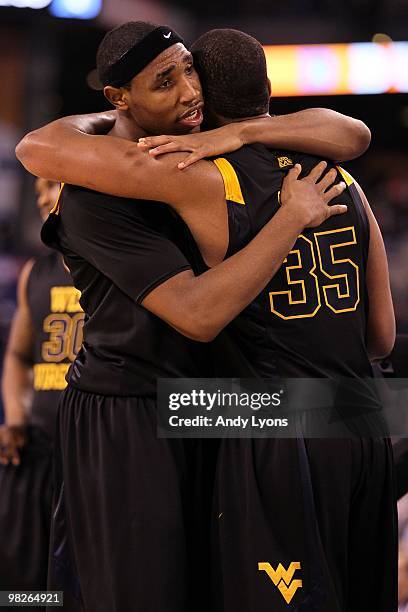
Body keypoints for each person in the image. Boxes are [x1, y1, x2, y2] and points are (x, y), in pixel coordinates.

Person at [16, 23, 379, 612]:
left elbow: (351, 131)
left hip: (204, 403)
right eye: (167, 80)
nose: (190, 91)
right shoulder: (105, 188)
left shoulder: (209, 158)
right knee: (123, 592)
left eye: (191, 72)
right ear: (119, 99)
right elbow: (197, 314)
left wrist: (235, 133)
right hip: (129, 408)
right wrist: (290, 219)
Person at [0, 178, 84, 597]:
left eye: (53, 184)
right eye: (37, 189)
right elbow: (17, 357)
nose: (42, 196)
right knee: (26, 588)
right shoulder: (36, 271)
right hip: (40, 451)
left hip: (94, 454)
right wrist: (15, 417)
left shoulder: (122, 261)